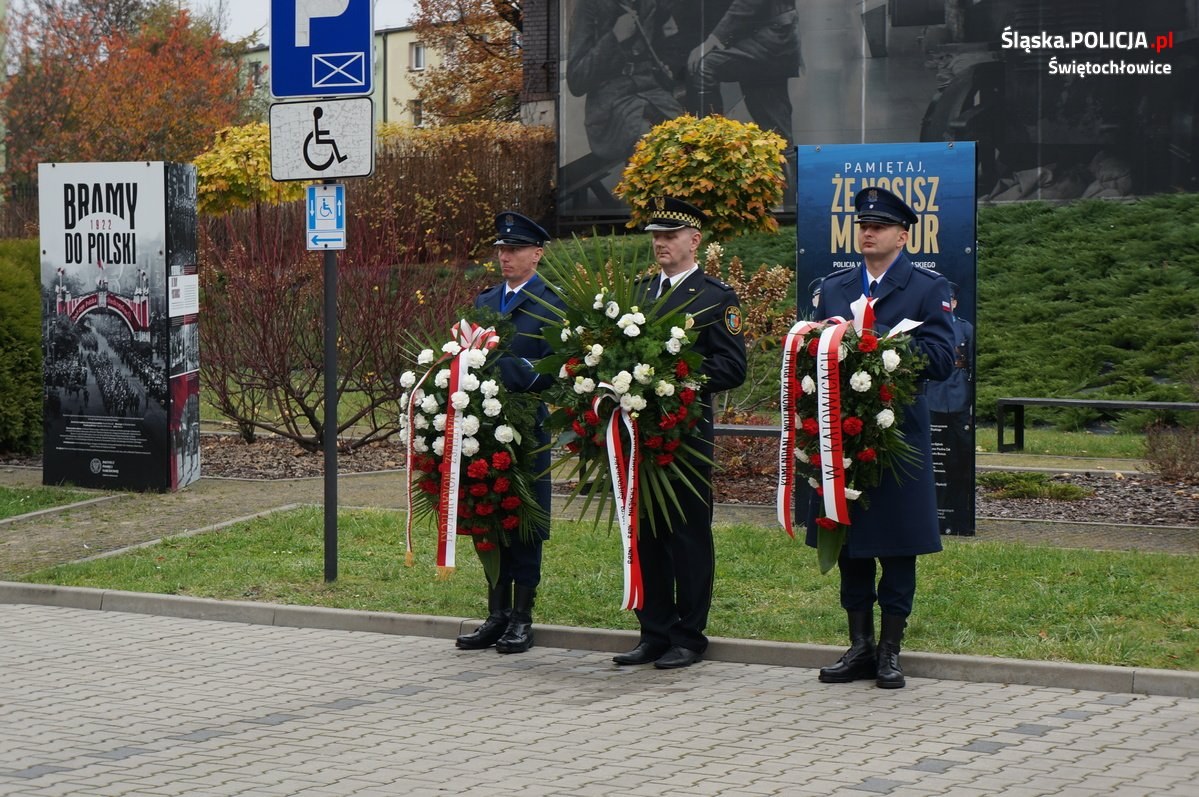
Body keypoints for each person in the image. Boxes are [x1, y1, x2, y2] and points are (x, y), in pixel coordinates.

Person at [808, 186, 956, 689]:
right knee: (849, 540)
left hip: (897, 438)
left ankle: (891, 649)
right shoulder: (833, 286)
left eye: (880, 226)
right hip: (840, 435)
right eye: (863, 225)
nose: (868, 232)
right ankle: (859, 646)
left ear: (903, 234)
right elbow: (810, 350)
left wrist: (879, 339)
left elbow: (940, 358)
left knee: (897, 544)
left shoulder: (927, 288)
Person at [612, 197, 747, 670]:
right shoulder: (639, 293)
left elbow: (732, 367)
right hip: (638, 434)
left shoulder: (716, 296)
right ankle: (653, 631)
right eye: (656, 235)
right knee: (645, 532)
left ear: (694, 241)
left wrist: (676, 376)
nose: (660, 243)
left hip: (686, 435)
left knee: (686, 534)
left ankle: (688, 635)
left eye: (669, 236)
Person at [455, 211, 563, 655]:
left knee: (525, 521)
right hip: (482, 428)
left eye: (514, 249)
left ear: (536, 254)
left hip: (526, 428)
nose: (505, 257)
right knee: (489, 514)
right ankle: (495, 614)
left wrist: (515, 373)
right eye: (501, 249)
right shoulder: (485, 302)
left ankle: (522, 617)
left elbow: (559, 367)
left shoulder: (552, 302)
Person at [565, 1, 685, 163]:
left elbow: (670, 45)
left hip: (654, 96)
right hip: (612, 110)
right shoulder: (588, 6)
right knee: (653, 148)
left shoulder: (649, 5)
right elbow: (577, 80)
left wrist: (667, 65)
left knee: (688, 139)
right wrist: (615, 37)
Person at [683, 0, 803, 144]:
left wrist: (713, 40)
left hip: (766, 35)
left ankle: (710, 145)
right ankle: (785, 158)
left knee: (703, 67)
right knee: (774, 125)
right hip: (771, 33)